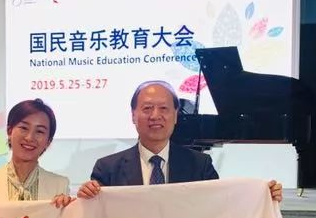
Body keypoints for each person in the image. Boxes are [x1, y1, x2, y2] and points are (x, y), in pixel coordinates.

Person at [77, 80, 283, 201]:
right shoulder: (108, 168)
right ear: (133, 115)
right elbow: (95, 217)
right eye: (147, 108)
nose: (155, 115)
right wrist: (86, 197)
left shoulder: (200, 165)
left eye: (164, 108)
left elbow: (220, 205)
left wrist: (261, 196)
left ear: (175, 116)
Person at [0, 99, 73, 207]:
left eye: (39, 131)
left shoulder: (59, 186)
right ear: (9, 131)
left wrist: (67, 210)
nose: (29, 138)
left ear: (48, 142)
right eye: (24, 128)